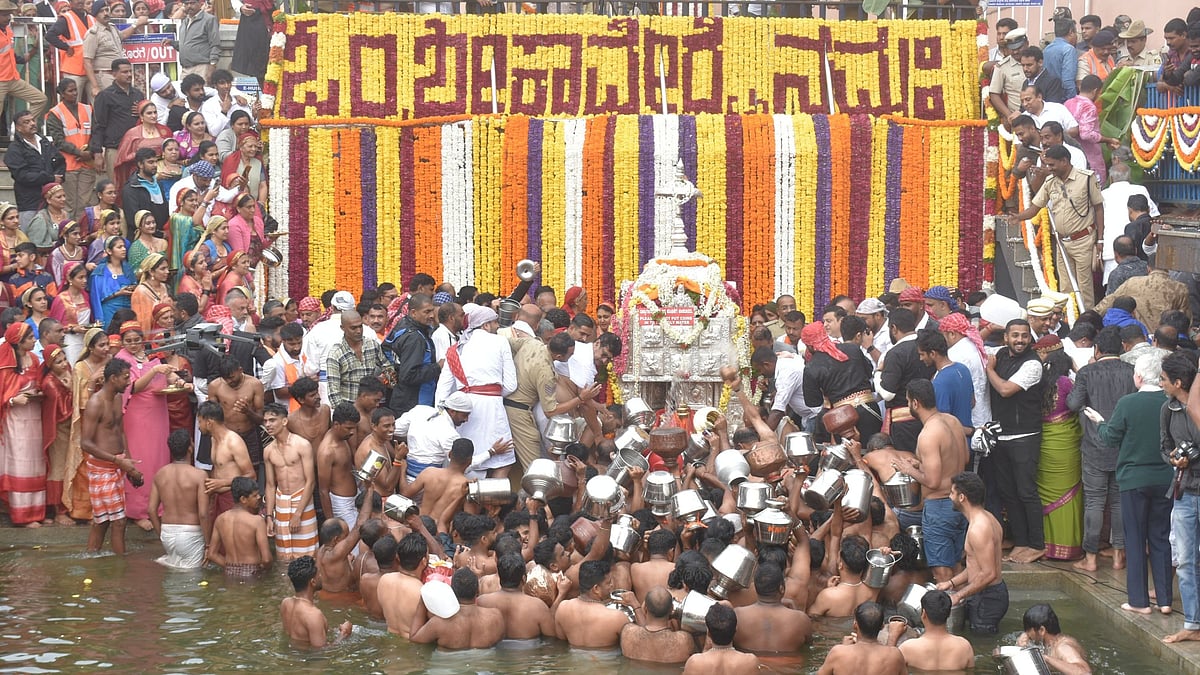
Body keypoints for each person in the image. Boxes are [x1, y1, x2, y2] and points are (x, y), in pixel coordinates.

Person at [1088, 351, 1173, 616]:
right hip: (1165, 479)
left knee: (1134, 539)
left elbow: (1111, 437)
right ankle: (1165, 598)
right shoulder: (1170, 402)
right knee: (1160, 538)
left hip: (1134, 480)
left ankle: (1139, 601)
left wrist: (1099, 422)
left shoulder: (1128, 403)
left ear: (1137, 377)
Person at [1066, 327, 1134, 572]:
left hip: (1094, 446)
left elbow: (1073, 404)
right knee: (1118, 502)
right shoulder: (1132, 372)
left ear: (1097, 349)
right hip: (1124, 447)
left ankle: (1091, 558)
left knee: (1094, 501)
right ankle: (1118, 556)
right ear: (1123, 348)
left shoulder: (1087, 372)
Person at [1008, 146, 1103, 308]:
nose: (1048, 169)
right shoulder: (1050, 182)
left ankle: (1087, 321)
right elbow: (1035, 207)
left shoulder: (1086, 178)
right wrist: (1019, 217)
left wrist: (1100, 239)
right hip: (1062, 243)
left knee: (1084, 287)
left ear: (1064, 162)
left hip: (1083, 240)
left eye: (1051, 165)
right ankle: (1069, 320)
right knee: (1065, 288)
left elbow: (1099, 208)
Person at [893, 379, 968, 582]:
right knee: (957, 565)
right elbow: (964, 458)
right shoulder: (952, 421)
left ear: (915, 403)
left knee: (942, 572)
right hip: (960, 502)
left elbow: (933, 482)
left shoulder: (928, 434)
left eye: (908, 401)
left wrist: (909, 469)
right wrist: (920, 465)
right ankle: (962, 612)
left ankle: (945, 613)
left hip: (940, 507)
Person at [986, 318, 1045, 563]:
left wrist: (989, 370)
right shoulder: (999, 354)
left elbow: (1005, 390)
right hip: (1001, 435)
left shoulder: (1033, 364)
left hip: (1025, 436)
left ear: (1030, 339)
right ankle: (1021, 542)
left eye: (1024, 336)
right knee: (1008, 493)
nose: (1020, 340)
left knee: (1026, 492)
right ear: (1006, 338)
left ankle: (1037, 544)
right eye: (1015, 335)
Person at [114, 320, 177, 530]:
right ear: (122, 342)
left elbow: (167, 374)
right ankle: (138, 510)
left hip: (158, 415)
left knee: (159, 457)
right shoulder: (121, 360)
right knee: (141, 460)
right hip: (136, 416)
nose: (134, 344)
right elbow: (132, 387)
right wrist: (153, 371)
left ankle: (158, 506)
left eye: (137, 340)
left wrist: (177, 381)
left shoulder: (151, 353)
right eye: (128, 341)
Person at [937, 472, 1008, 634]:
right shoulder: (987, 518)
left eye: (952, 493)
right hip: (986, 594)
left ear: (962, 497)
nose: (949, 497)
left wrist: (958, 595)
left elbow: (989, 573)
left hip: (987, 599)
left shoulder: (979, 528)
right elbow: (978, 565)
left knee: (982, 647)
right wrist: (951, 583)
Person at [80, 358, 138, 552]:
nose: (129, 381)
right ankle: (121, 569)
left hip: (117, 465)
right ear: (113, 378)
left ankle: (91, 559)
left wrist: (129, 465)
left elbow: (121, 432)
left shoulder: (117, 398)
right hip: (102, 468)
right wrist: (118, 461)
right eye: (125, 377)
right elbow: (85, 443)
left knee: (103, 521)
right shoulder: (95, 403)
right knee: (118, 522)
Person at [1034, 337, 1083, 561]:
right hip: (1065, 446)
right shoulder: (1066, 383)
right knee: (1068, 491)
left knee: (1046, 493)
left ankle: (1046, 545)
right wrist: (1077, 369)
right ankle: (1067, 547)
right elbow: (1079, 401)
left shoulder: (1040, 382)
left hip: (1045, 444)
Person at [0, 321, 45, 526]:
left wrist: (40, 393)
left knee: (36, 461)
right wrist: (12, 399)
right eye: (30, 338)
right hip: (15, 418)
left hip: (34, 415)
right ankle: (22, 516)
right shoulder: (6, 363)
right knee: (21, 463)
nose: (34, 340)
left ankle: (37, 513)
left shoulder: (34, 359)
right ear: (18, 342)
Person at [61, 327, 108, 521]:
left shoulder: (110, 362)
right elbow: (81, 401)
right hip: (86, 420)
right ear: (90, 347)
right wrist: (94, 381)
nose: (106, 348)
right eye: (101, 345)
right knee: (85, 465)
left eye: (107, 344)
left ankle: (104, 508)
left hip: (106, 420)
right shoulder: (80, 368)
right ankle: (83, 511)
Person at [262, 402, 317, 561]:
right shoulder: (268, 451)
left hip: (302, 500)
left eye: (272, 420)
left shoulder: (302, 445)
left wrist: (298, 513)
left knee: (307, 554)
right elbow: (270, 485)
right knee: (284, 555)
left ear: (284, 421)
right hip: (281, 502)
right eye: (265, 421)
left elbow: (310, 481)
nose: (268, 425)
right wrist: (269, 516)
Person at [148, 429, 209, 568]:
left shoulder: (160, 474)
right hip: (190, 534)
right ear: (190, 448)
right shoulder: (200, 475)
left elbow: (151, 510)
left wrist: (161, 535)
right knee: (191, 581)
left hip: (167, 533)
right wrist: (208, 544)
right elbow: (204, 514)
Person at [410, 567, 505, 649]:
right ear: (478, 590)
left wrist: (423, 601)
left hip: (448, 668)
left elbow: (414, 639)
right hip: (483, 666)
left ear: (452, 592)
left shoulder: (439, 623)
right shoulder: (496, 617)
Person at [45, 82, 99, 223]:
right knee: (68, 204)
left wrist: (90, 151)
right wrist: (79, 153)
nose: (75, 93)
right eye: (71, 91)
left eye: (75, 90)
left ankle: (80, 234)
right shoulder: (55, 113)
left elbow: (96, 132)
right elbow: (58, 140)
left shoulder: (88, 109)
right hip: (67, 165)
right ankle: (68, 232)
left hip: (87, 164)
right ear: (62, 94)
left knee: (84, 203)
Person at [6, 111, 65, 232]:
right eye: (26, 122)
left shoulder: (45, 142)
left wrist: (59, 179)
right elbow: (22, 176)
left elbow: (60, 161)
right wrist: (50, 179)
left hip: (52, 202)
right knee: (30, 238)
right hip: (30, 202)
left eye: (33, 120)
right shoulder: (15, 149)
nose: (32, 124)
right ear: (18, 128)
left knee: (55, 236)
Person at [733, 563, 812, 652]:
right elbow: (808, 647)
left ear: (755, 587)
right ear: (781, 588)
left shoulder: (737, 615)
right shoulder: (801, 620)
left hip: (747, 664)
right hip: (788, 665)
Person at [555, 558, 630, 649]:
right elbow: (638, 646)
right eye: (608, 582)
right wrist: (636, 606)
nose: (612, 585)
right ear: (596, 589)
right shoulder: (616, 617)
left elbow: (561, 644)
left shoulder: (562, 608)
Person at [281, 556, 353, 648]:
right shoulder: (314, 615)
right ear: (313, 582)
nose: (321, 576)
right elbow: (320, 653)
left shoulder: (285, 603)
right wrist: (343, 634)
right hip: (305, 660)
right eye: (319, 574)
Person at [816, 601, 904, 674]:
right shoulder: (895, 655)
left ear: (855, 625)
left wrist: (844, 647)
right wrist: (892, 637)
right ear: (882, 626)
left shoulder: (838, 653)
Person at [387, 292, 440, 414]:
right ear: (413, 313)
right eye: (427, 312)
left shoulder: (403, 325)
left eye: (432, 311)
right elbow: (409, 375)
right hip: (414, 404)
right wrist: (437, 367)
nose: (432, 315)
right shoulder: (415, 338)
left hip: (402, 398)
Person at [206, 475, 270, 577]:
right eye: (254, 495)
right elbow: (266, 559)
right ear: (243, 499)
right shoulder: (257, 521)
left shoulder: (220, 519)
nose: (259, 497)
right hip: (252, 573)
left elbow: (212, 554)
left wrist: (231, 568)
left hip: (229, 573)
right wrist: (257, 570)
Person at [91, 59, 144, 181]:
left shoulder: (138, 94)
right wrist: (97, 153)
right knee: (117, 186)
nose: (129, 75)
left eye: (130, 71)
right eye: (124, 72)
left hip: (136, 148)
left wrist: (141, 112)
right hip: (115, 148)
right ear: (114, 74)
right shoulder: (105, 96)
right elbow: (98, 125)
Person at [326, 310, 388, 410]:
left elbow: (387, 367)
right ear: (343, 328)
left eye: (360, 326)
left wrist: (386, 380)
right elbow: (334, 392)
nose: (358, 331)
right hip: (350, 409)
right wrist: (346, 415)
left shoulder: (372, 345)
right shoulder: (336, 354)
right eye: (353, 328)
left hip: (372, 408)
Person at [1066, 75, 1120, 185]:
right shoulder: (1089, 107)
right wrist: (1108, 140)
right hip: (1090, 159)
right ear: (1095, 91)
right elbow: (1086, 134)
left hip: (1072, 157)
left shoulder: (1068, 103)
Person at [315, 401, 360, 530]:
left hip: (355, 498)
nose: (352, 432)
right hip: (341, 505)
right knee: (352, 546)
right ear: (336, 425)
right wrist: (331, 522)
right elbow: (323, 491)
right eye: (349, 428)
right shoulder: (327, 451)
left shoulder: (343, 437)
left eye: (354, 428)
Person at [377, 532, 431, 638]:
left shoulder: (383, 580)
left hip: (389, 642)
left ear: (398, 557)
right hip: (413, 648)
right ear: (424, 561)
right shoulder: (422, 591)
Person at [0, 0, 47, 120]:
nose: (8, 18)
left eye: (9, 14)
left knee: (40, 99)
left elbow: (9, 53)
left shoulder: (8, 30)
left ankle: (22, 128)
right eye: (5, 15)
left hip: (12, 78)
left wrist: (23, 58)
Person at [1017, 604, 1092, 674]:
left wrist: (1045, 658)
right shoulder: (1049, 644)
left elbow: (1085, 672)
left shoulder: (1063, 648)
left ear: (1042, 630)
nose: (1027, 634)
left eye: (1028, 630)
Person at [114, 100, 170, 191]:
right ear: (141, 116)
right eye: (149, 113)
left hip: (164, 174)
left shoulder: (165, 131)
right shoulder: (132, 134)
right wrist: (141, 155)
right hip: (140, 174)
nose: (153, 116)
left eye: (155, 112)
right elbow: (122, 158)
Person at [121, 148, 168, 231]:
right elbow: (133, 219)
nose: (155, 165)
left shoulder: (159, 184)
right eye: (150, 162)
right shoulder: (131, 188)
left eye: (156, 161)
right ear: (140, 164)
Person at [171, 0, 220, 80]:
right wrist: (172, 43)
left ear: (200, 4)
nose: (189, 6)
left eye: (192, 3)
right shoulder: (185, 21)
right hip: (185, 68)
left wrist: (212, 66)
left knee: (202, 91)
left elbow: (215, 44)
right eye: (186, 4)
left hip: (202, 67)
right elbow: (188, 44)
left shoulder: (209, 19)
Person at [129, 253, 168, 332]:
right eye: (163, 269)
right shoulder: (141, 292)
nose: (167, 272)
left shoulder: (164, 287)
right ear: (151, 272)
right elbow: (142, 322)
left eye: (167, 268)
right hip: (151, 335)